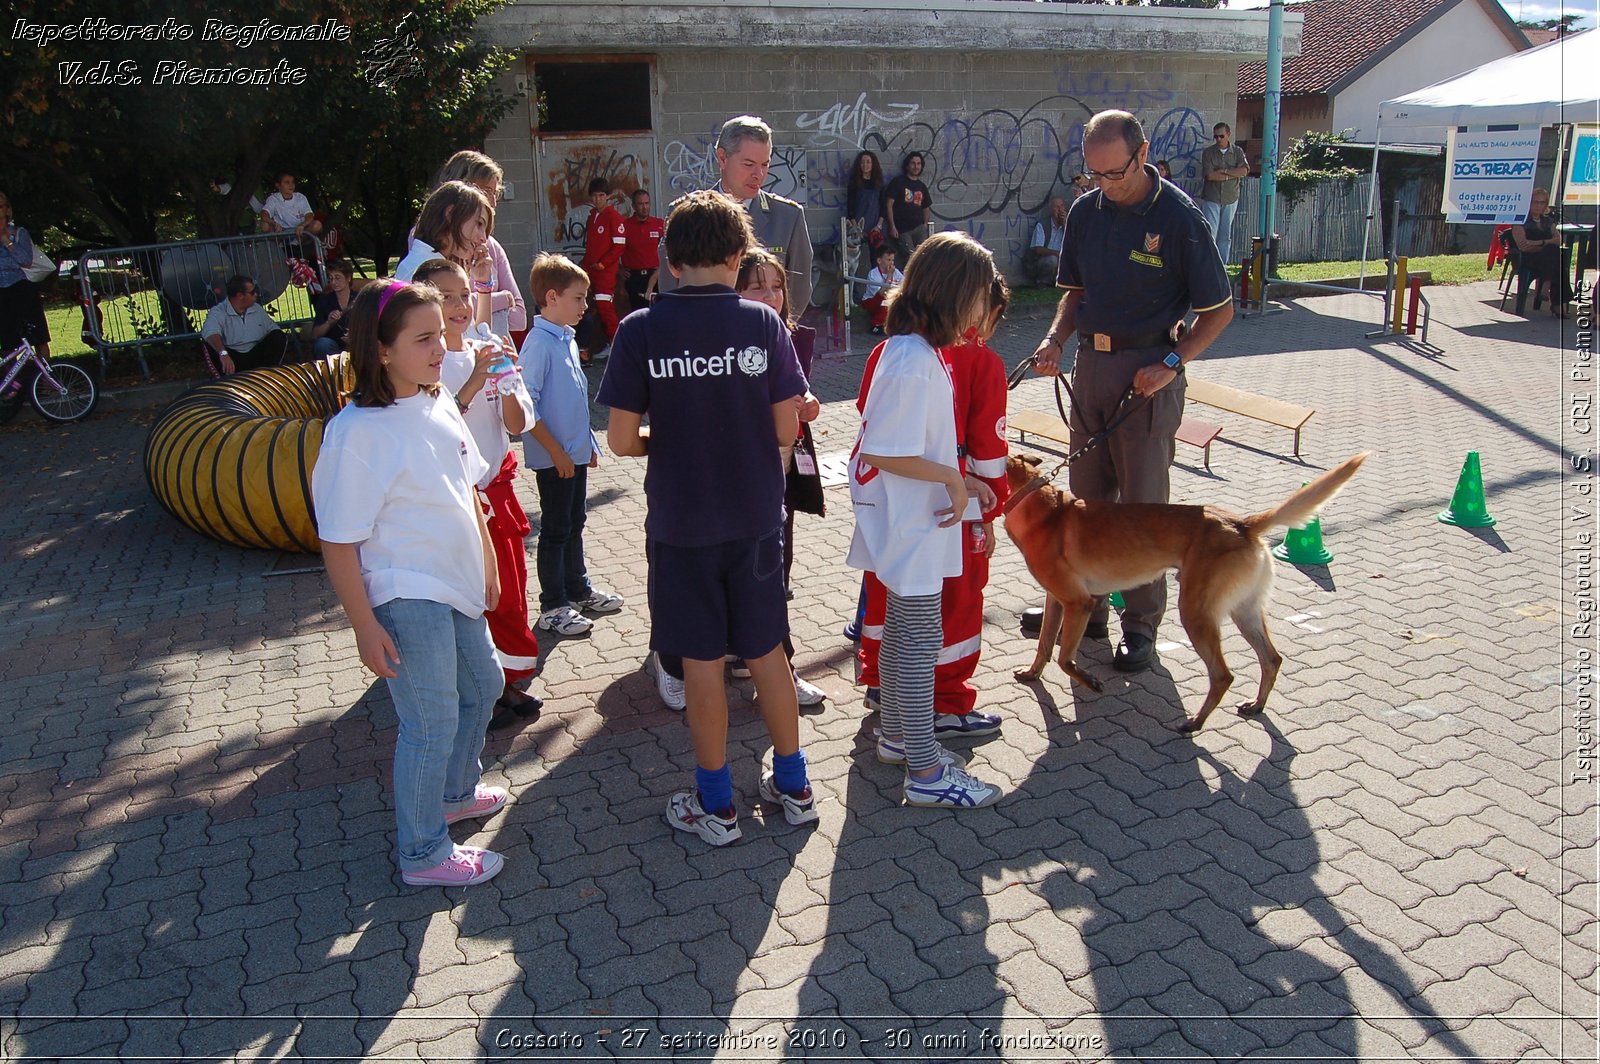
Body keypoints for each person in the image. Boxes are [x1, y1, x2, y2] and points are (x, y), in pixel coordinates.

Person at [598, 189, 818, 846]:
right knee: (767, 653)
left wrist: (668, 439)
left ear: (667, 257)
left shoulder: (641, 329)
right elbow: (786, 425)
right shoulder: (761, 325)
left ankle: (716, 804)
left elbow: (617, 439)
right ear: (736, 256)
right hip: (755, 519)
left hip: (681, 526)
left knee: (700, 662)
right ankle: (796, 786)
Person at [311, 279, 509, 887]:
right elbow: (339, 540)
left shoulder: (438, 398)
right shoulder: (355, 433)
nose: (440, 345)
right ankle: (423, 852)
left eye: (440, 332)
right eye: (424, 337)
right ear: (381, 350)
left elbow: (468, 491)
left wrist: (490, 569)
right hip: (405, 594)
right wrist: (364, 627)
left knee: (484, 684)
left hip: (457, 585)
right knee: (431, 721)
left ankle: (453, 793)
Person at [1032, 109, 1233, 673]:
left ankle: (1141, 623)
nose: (1103, 186)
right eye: (1092, 175)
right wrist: (1053, 341)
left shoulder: (1179, 217)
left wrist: (1171, 363)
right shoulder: (1085, 213)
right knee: (1087, 502)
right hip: (1091, 366)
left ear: (1142, 156)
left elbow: (1219, 312)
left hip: (1149, 371)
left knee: (1144, 511)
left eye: (1113, 174)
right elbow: (1072, 294)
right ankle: (1086, 605)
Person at [848, 232, 1000, 808]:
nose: (984, 310)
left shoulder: (912, 349)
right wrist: (953, 480)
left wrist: (956, 479)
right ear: (955, 294)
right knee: (918, 640)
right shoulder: (912, 358)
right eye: (981, 296)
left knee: (906, 638)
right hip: (912, 522)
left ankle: (896, 736)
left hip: (910, 518)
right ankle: (927, 771)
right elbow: (886, 449)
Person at [649, 249, 829, 713]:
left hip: (769, 480)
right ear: (732, 285)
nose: (770, 296)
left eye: (776, 286)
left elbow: (791, 394)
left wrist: (803, 401)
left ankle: (770, 658)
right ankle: (672, 664)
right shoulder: (709, 331)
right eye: (756, 286)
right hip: (696, 492)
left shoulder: (780, 333)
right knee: (686, 587)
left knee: (770, 572)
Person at [413, 257, 546, 732]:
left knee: (508, 593)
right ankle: (479, 693)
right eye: (445, 295)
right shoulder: (422, 361)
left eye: (465, 294)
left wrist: (506, 382)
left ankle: (506, 682)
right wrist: (473, 380)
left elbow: (515, 424)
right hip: (456, 503)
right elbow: (433, 427)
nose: (459, 305)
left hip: (497, 491)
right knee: (473, 599)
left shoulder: (485, 346)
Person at [519, 253, 625, 637]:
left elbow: (575, 399)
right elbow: (526, 404)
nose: (585, 305)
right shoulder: (538, 343)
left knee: (575, 521)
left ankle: (578, 589)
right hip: (554, 458)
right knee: (556, 528)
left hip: (573, 454)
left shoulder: (564, 336)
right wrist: (557, 451)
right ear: (551, 297)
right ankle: (553, 604)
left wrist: (587, 445)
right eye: (578, 298)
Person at [657, 115, 814, 312]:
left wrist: (777, 330)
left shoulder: (788, 217)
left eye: (765, 164)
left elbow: (798, 291)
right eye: (748, 164)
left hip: (765, 336)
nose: (759, 174)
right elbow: (670, 285)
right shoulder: (687, 214)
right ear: (722, 158)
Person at [433, 151, 528, 338]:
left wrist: (482, 301)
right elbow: (440, 308)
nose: (492, 201)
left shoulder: (491, 246)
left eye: (495, 193)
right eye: (485, 191)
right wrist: (501, 299)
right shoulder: (431, 242)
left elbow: (520, 318)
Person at [394, 182, 495, 324]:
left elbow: (480, 337)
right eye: (479, 223)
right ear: (450, 214)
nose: (483, 238)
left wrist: (483, 285)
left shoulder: (433, 264)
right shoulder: (423, 272)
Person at [201, 275, 290, 376]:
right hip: (232, 357)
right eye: (252, 292)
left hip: (256, 355)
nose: (256, 294)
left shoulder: (257, 309)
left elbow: (273, 330)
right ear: (240, 295)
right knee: (211, 344)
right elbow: (210, 333)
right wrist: (223, 353)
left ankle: (268, 375)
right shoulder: (218, 312)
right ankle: (227, 379)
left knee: (278, 336)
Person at [0, 191, 52, 362]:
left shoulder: (19, 233)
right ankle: (11, 385)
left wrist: (7, 242)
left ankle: (48, 382)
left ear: (7, 210)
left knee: (39, 337)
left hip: (21, 288)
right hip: (2, 293)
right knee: (8, 342)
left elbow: (25, 261)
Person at [580, 178, 628, 347]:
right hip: (590, 269)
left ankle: (617, 345)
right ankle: (594, 346)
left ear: (608, 196)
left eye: (601, 195)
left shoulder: (614, 217)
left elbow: (619, 247)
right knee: (584, 306)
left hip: (605, 272)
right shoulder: (593, 215)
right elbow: (591, 247)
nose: (597, 199)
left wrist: (603, 264)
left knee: (605, 307)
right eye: (594, 196)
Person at [1511, 188, 1574, 318]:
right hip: (1528, 260)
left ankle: (1546, 285)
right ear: (1529, 203)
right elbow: (1523, 246)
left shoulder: (1547, 221)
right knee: (1556, 256)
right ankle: (1556, 303)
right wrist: (1545, 245)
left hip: (1546, 260)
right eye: (1535, 202)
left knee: (1555, 255)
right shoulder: (1521, 221)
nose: (1539, 206)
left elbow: (1558, 239)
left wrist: (1539, 243)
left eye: (1542, 203)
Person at [1199, 122, 1249, 266]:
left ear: (1228, 135)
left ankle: (1222, 266)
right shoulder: (1208, 152)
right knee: (1210, 234)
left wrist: (1225, 172)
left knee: (1225, 236)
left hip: (1230, 198)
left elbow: (1244, 171)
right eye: (1216, 137)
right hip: (1212, 197)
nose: (1219, 139)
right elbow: (1209, 175)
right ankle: (1209, 265)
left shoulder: (1237, 151)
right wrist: (1233, 173)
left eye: (1221, 136)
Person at [883, 151, 934, 262]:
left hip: (919, 228)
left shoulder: (921, 186)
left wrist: (924, 226)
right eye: (913, 163)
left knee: (923, 258)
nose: (916, 166)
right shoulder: (898, 182)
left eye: (918, 164)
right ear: (907, 165)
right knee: (911, 259)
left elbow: (926, 208)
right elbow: (889, 204)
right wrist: (892, 226)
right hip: (902, 229)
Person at [620, 188, 664, 313]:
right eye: (640, 204)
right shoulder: (625, 226)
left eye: (647, 203)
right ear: (633, 206)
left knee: (658, 312)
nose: (644, 207)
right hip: (634, 277)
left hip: (656, 276)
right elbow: (614, 249)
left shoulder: (659, 224)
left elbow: (669, 249)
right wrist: (619, 268)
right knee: (638, 313)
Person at [846, 149, 886, 280]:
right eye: (862, 162)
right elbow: (850, 208)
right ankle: (856, 296)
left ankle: (876, 292)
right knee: (855, 265)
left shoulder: (878, 183)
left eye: (868, 162)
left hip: (874, 229)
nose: (865, 165)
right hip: (858, 230)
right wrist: (855, 228)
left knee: (876, 261)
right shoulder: (854, 184)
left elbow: (883, 207)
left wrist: (878, 226)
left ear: (873, 164)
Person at [309, 259, 355, 357]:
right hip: (334, 347)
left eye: (337, 278)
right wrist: (329, 323)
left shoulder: (360, 298)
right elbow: (315, 335)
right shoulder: (325, 300)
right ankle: (335, 370)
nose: (333, 282)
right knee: (322, 344)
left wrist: (354, 338)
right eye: (331, 278)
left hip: (358, 344)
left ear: (348, 278)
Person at [259, 172, 324, 240]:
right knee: (265, 225)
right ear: (278, 185)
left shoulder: (300, 197)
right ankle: (278, 244)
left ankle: (298, 241)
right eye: (287, 182)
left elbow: (310, 215)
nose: (291, 185)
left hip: (300, 231)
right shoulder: (273, 198)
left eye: (292, 182)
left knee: (317, 225)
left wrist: (302, 225)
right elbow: (264, 214)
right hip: (282, 233)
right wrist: (274, 223)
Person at [1026, 195, 1068, 286]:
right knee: (1052, 260)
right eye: (1057, 207)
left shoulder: (1068, 225)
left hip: (1061, 261)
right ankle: (1042, 282)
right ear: (1051, 209)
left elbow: (1074, 243)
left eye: (1062, 206)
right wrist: (1057, 253)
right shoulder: (1042, 225)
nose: (1060, 210)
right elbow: (1038, 249)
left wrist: (1065, 225)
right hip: (1041, 261)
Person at [859, 245, 901, 334]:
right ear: (879, 261)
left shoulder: (896, 272)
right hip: (871, 301)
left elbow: (905, 284)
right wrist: (889, 276)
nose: (892, 263)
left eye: (893, 260)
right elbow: (882, 293)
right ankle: (876, 325)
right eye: (888, 260)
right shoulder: (873, 274)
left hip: (890, 298)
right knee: (886, 300)